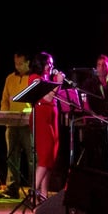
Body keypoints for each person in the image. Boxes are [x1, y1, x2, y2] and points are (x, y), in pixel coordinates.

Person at [78, 54, 108, 172]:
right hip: (94, 128)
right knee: (95, 159)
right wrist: (94, 116)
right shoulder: (89, 84)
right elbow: (84, 103)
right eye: (98, 65)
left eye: (104, 65)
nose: (101, 68)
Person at [29, 51, 64, 200]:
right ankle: (33, 193)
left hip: (52, 118)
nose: (51, 66)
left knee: (50, 158)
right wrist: (59, 82)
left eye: (51, 63)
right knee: (44, 157)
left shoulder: (47, 79)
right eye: (48, 63)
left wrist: (56, 82)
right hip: (41, 119)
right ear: (41, 64)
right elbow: (48, 98)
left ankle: (43, 195)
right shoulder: (35, 78)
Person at [0, 50, 34, 198]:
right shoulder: (10, 78)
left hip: (27, 124)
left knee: (32, 157)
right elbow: (4, 100)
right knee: (12, 157)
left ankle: (34, 187)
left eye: (20, 63)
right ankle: (12, 187)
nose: (18, 66)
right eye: (16, 64)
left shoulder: (32, 78)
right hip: (12, 124)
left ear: (28, 63)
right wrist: (5, 116)